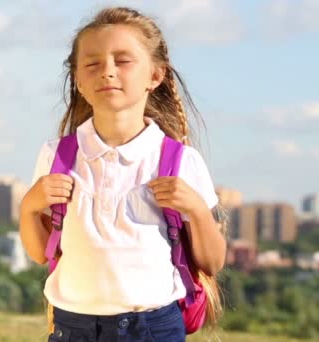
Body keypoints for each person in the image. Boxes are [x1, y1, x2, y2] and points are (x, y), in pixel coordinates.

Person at [19, 6, 227, 342]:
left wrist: (198, 211)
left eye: (123, 60)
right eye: (92, 63)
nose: (107, 71)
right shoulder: (56, 156)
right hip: (73, 328)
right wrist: (29, 207)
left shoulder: (179, 160)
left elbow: (213, 262)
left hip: (152, 328)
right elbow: (41, 251)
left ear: (155, 76)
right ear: (78, 79)